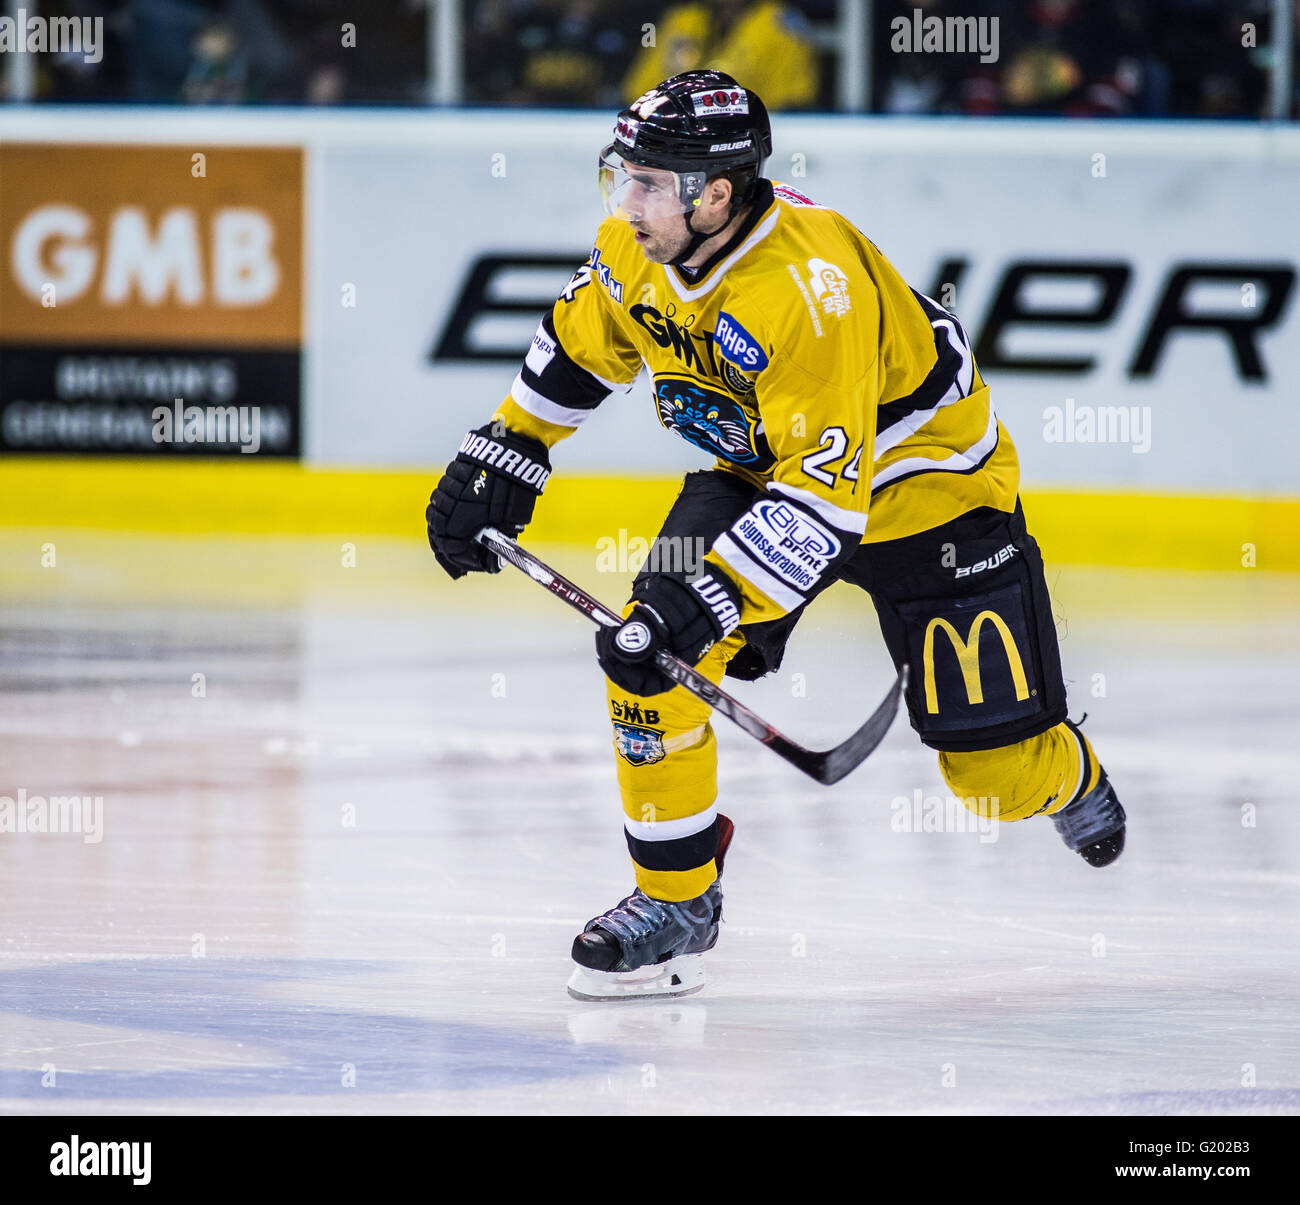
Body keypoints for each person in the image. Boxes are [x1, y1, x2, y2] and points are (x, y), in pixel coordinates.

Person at [426, 70, 1126, 1002]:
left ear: (715, 194)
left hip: (931, 497)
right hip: (764, 473)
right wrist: (509, 448)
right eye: (622, 176)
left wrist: (709, 596)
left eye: (648, 183)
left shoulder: (807, 290)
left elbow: (828, 507)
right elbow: (584, 345)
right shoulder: (637, 242)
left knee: (993, 780)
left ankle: (1064, 771)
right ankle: (677, 899)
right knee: (647, 652)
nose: (626, 203)